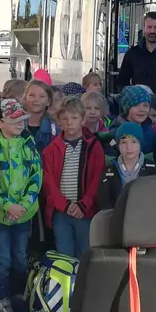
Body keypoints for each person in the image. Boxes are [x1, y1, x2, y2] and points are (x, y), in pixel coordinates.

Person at [0, 99, 43, 312]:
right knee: (2, 260)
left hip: (24, 215)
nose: (20, 123)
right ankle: (1, 299)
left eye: (22, 119)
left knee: (20, 258)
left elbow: (37, 176)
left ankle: (19, 297)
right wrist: (8, 206)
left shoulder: (28, 142)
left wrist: (23, 205)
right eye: (13, 119)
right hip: (0, 216)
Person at [41, 97, 105, 258]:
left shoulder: (93, 146)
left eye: (74, 118)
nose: (70, 122)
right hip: (61, 212)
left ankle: (84, 284)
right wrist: (65, 205)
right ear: (59, 122)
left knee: (85, 253)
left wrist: (84, 205)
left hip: (85, 211)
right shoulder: (51, 150)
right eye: (65, 119)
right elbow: (48, 183)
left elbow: (97, 178)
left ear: (83, 120)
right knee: (64, 254)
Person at [98, 123, 156, 211]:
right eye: (123, 142)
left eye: (134, 141)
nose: (129, 147)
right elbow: (104, 204)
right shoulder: (109, 172)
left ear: (140, 144)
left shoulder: (153, 169)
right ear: (118, 146)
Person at [115, 84, 156, 166]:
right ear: (127, 107)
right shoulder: (116, 131)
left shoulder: (150, 130)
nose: (142, 109)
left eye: (145, 105)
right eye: (136, 105)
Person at [20, 81, 60, 150]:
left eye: (42, 96)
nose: (36, 99)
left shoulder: (54, 129)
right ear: (25, 98)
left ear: (48, 101)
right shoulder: (15, 125)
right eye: (32, 95)